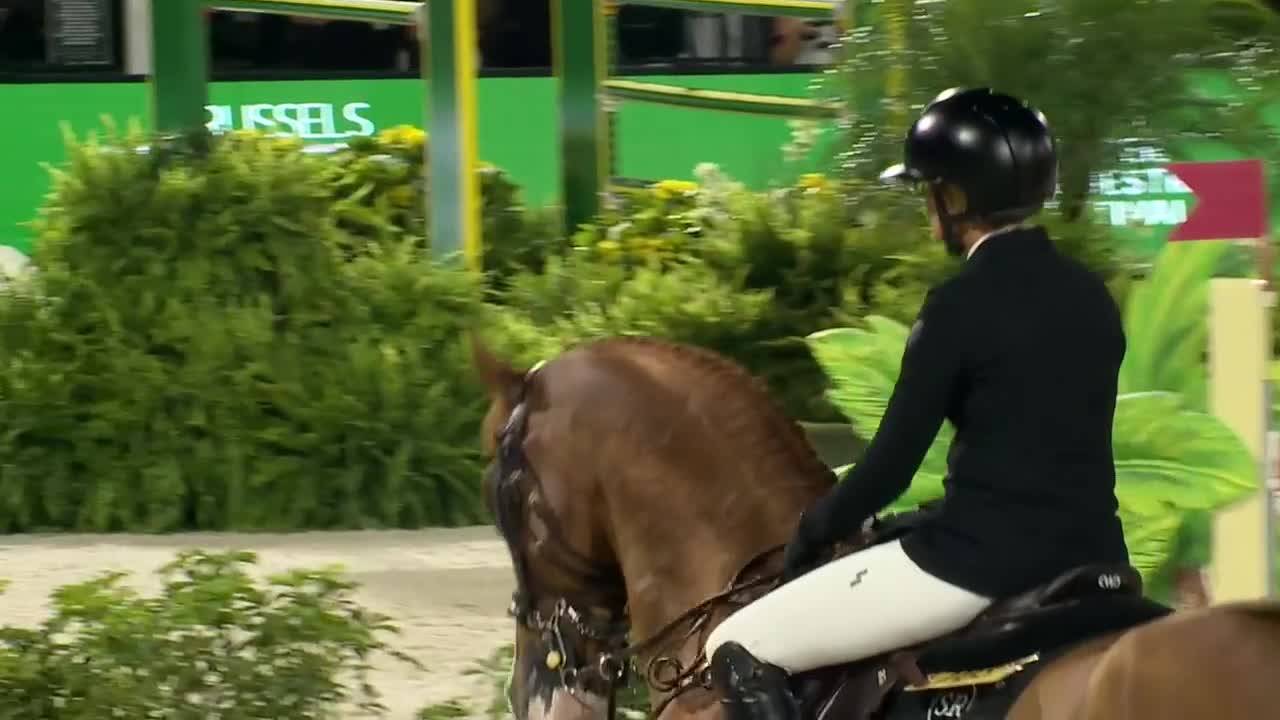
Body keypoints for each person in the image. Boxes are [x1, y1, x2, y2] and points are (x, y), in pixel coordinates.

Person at [704, 87, 1132, 720]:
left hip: (978, 564)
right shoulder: (1091, 294)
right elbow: (1039, 443)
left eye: (929, 192)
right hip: (1096, 556)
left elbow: (891, 466)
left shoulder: (959, 306)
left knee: (737, 644)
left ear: (954, 199)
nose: (927, 209)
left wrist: (813, 530)